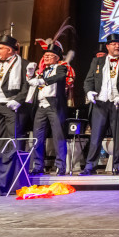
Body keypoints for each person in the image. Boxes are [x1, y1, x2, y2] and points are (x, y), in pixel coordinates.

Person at [81, 33, 119, 175]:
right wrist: (89, 92)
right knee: (96, 136)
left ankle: (118, 165)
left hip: (118, 103)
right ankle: (90, 166)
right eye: (114, 44)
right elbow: (88, 80)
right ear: (108, 46)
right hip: (101, 103)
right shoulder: (97, 61)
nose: (117, 46)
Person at [27, 44, 69, 176]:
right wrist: (31, 75)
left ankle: (60, 166)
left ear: (57, 58)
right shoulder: (42, 71)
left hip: (54, 105)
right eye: (45, 55)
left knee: (58, 136)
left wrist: (43, 81)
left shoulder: (61, 68)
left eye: (50, 56)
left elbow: (60, 77)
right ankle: (38, 166)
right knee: (37, 137)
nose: (46, 58)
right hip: (41, 106)